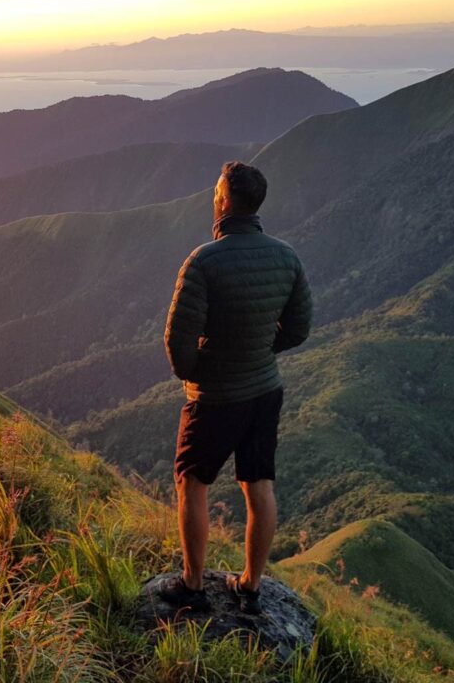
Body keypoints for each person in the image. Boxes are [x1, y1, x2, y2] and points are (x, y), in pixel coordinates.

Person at [158, 161, 312, 614]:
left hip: (216, 398)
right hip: (265, 391)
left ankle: (191, 583)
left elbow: (177, 340)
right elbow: (299, 328)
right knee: (259, 483)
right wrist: (259, 351)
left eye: (216, 191)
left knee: (192, 481)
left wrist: (197, 373)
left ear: (224, 200)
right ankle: (250, 585)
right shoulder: (286, 256)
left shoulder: (204, 260)